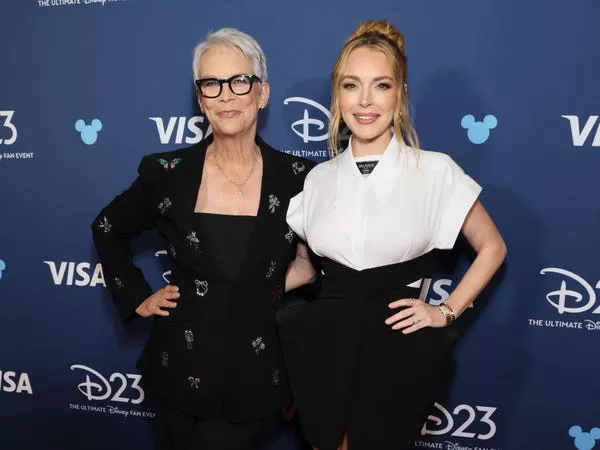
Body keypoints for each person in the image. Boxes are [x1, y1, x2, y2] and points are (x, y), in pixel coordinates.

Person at [281, 20, 507, 450]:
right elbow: (306, 267)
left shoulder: (434, 170)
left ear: (400, 96)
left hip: (398, 344)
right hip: (324, 342)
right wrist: (239, 290)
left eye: (380, 85)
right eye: (351, 85)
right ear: (337, 96)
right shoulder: (317, 180)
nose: (365, 101)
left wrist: (447, 311)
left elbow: (492, 247)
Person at [92, 27, 315, 450]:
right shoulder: (167, 173)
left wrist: (264, 289)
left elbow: (315, 264)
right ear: (200, 99)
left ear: (262, 93)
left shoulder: (299, 178)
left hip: (255, 370)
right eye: (212, 84)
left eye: (240, 81)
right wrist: (137, 295)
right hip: (178, 365)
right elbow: (107, 228)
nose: (226, 96)